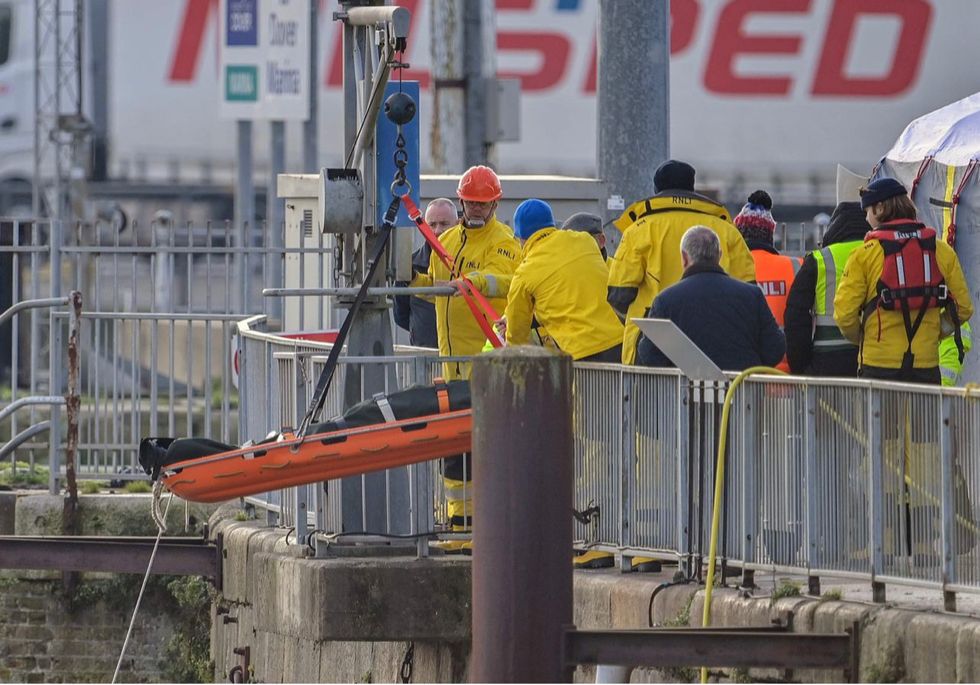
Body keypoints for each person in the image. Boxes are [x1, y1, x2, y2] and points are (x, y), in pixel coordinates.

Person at [410, 165, 520, 538]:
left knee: (487, 446)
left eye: (482, 204)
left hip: (484, 362)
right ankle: (460, 521)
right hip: (450, 363)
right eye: (470, 202)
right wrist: (413, 282)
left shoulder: (503, 241)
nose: (475, 209)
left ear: (495, 205)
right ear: (461, 201)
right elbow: (438, 291)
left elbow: (507, 282)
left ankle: (489, 522)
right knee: (454, 446)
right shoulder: (449, 241)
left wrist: (475, 282)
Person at [608, 159, 756, 364]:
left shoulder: (639, 229)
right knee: (709, 395)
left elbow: (619, 294)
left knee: (651, 396)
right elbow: (748, 290)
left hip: (653, 339)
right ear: (691, 188)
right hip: (715, 339)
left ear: (657, 189)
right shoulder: (726, 230)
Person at [834, 177, 973, 384]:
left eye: (867, 211)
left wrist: (866, 339)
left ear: (880, 208)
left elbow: (844, 315)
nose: (865, 219)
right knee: (924, 418)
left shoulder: (864, 255)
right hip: (926, 365)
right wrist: (935, 333)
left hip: (878, 366)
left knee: (879, 418)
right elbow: (963, 308)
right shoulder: (941, 251)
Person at [636, 226, 784, 371]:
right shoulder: (752, 295)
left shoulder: (665, 301)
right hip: (742, 391)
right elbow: (775, 348)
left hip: (687, 391)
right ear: (719, 256)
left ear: (684, 257)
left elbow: (650, 355)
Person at [503, 199, 623, 361]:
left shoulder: (525, 272)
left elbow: (516, 331)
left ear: (521, 237)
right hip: (618, 342)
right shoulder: (585, 240)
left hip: (581, 354)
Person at [784, 201, 871, 376]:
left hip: (829, 360)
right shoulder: (880, 252)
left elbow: (796, 317)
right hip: (875, 358)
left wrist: (802, 368)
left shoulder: (819, 260)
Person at [732, 190, 801, 371]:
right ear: (770, 235)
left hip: (742, 375)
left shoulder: (729, 270)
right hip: (788, 373)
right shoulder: (797, 266)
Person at [393, 198, 458, 347]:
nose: (438, 231)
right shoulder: (410, 267)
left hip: (460, 356)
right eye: (432, 225)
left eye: (444, 224)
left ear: (458, 224)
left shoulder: (468, 264)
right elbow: (400, 315)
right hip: (424, 358)